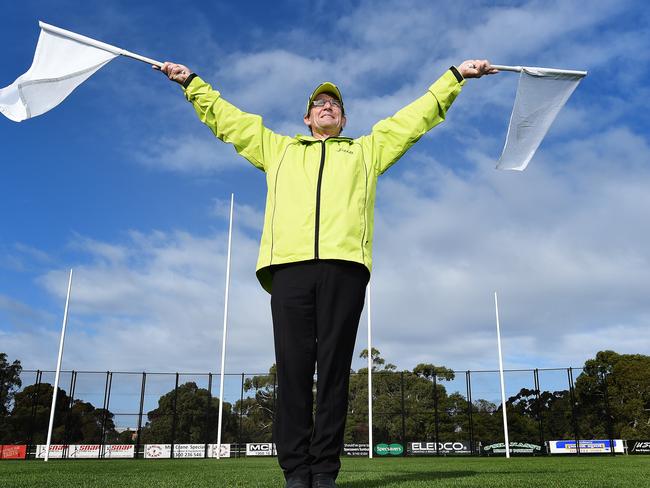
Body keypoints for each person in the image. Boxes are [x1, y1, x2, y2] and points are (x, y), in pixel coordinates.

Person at [158, 59, 497, 488]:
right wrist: (191, 83)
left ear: (343, 118)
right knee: (294, 373)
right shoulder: (276, 148)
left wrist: (455, 77)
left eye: (334, 103)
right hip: (289, 270)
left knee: (334, 374)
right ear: (307, 117)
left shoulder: (366, 151)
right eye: (319, 103)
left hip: (344, 270)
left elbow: (415, 118)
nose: (326, 106)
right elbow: (228, 119)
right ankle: (296, 473)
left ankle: (324, 473)